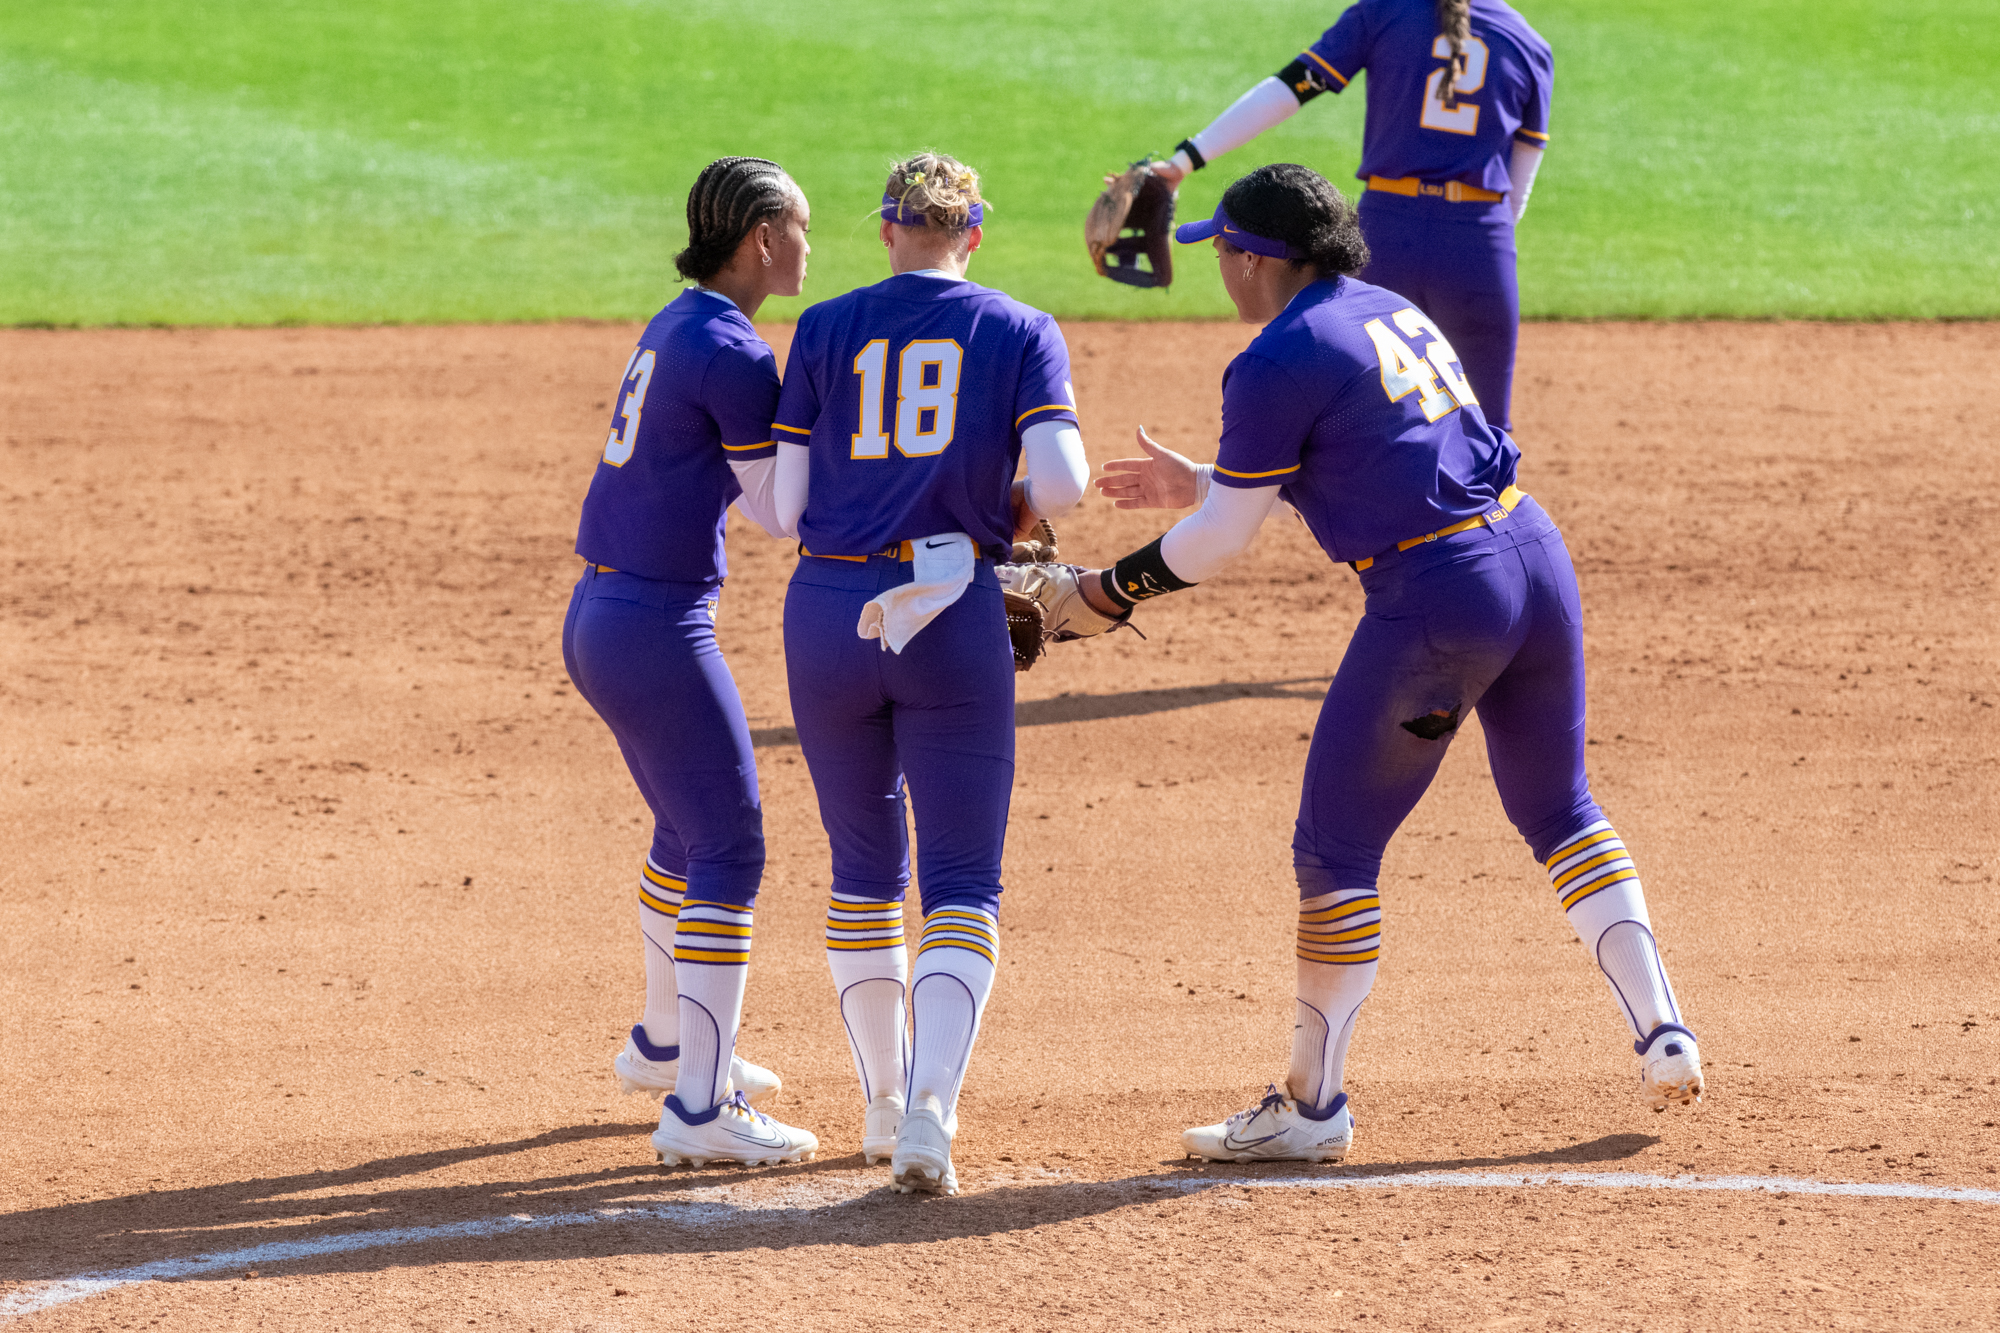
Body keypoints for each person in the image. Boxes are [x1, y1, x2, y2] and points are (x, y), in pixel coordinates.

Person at [1073, 163, 1701, 1164]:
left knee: (1334, 851)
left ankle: (1310, 1106)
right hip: (1533, 561)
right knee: (1558, 808)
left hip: (1439, 605)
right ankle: (1661, 1026)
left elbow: (1216, 544)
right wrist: (1202, 479)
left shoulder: (1273, 356)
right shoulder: (1383, 311)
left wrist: (1103, 594)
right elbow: (1370, 456)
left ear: (1258, 260)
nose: (1220, 270)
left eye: (1225, 252)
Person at [770, 150, 1090, 1194]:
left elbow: (781, 508)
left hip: (824, 616)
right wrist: (1014, 512)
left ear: (885, 229)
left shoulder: (822, 327)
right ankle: (928, 1119)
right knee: (959, 883)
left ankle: (875, 1099)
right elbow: (1062, 482)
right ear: (975, 233)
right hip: (950, 614)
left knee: (862, 870)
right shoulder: (1016, 327)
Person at [563, 156, 819, 1168]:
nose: (808, 245)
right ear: (761, 237)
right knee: (730, 847)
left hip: (602, 613)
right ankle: (701, 1109)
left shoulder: (680, 323)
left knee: (685, 828)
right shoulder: (735, 351)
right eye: (800, 227)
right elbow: (775, 513)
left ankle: (664, 1042)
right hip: (656, 624)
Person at [1141, 0, 1551, 435]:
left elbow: (1291, 88)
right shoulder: (1527, 42)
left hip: (1385, 233)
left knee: (1359, 416)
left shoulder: (1384, 12)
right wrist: (1476, 240)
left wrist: (1186, 159)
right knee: (1487, 428)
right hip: (1477, 243)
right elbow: (1518, 184)